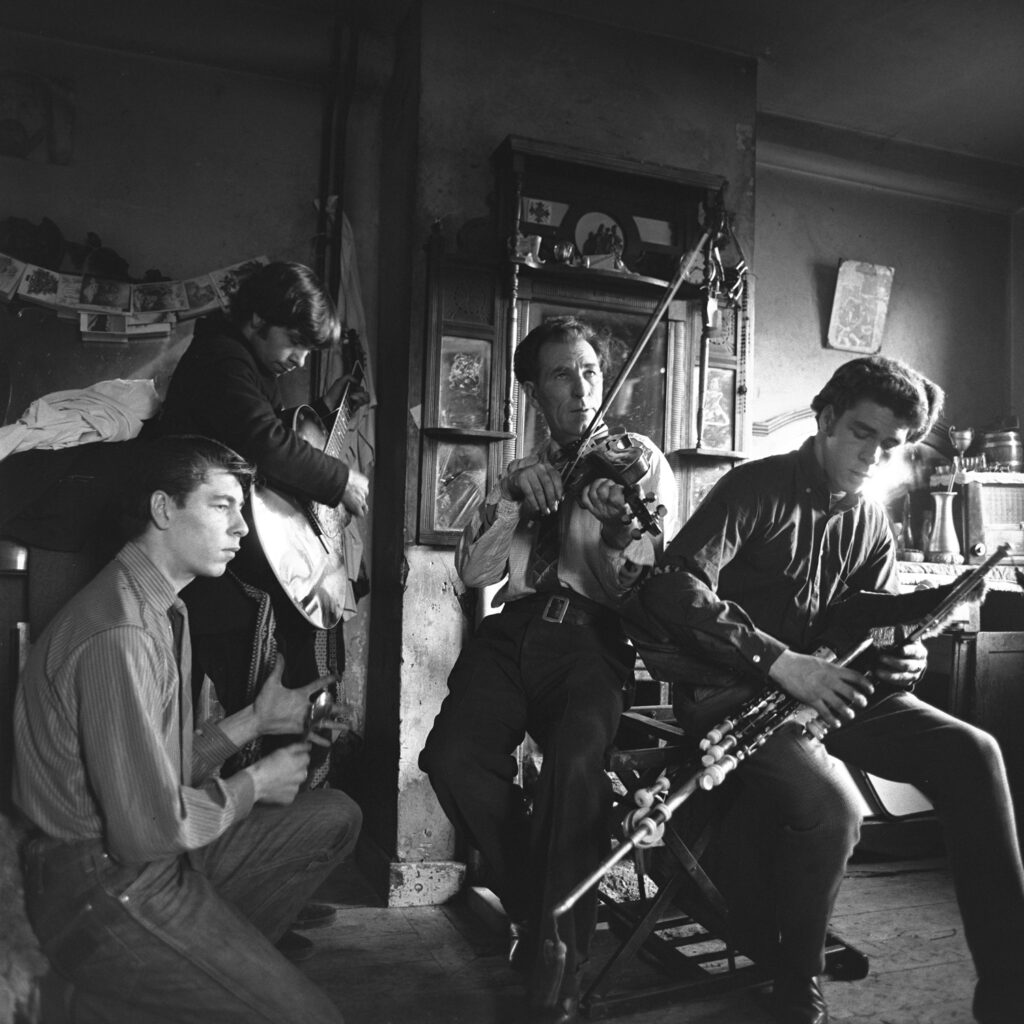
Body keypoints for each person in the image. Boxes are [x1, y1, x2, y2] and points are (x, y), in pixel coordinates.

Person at [624, 356, 1024, 1024]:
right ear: (827, 419)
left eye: (893, 447)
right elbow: (673, 586)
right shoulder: (753, 488)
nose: (877, 457)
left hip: (830, 691)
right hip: (734, 695)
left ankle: (1010, 990)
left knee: (973, 752)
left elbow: (861, 620)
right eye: (864, 435)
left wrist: (906, 654)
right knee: (838, 806)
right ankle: (797, 975)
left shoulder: (871, 519)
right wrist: (780, 660)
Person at [13, 434, 361, 1024]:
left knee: (336, 815)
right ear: (162, 509)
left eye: (240, 509)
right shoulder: (119, 631)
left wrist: (251, 722)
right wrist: (254, 781)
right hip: (102, 885)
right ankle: (117, 983)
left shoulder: (164, 608)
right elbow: (148, 830)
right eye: (221, 506)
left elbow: (159, 778)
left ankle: (198, 969)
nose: (243, 529)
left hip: (143, 859)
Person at [419, 315, 681, 1022]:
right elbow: (474, 572)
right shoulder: (526, 469)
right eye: (563, 374)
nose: (583, 386)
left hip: (595, 640)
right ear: (535, 391)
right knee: (451, 756)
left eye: (592, 371)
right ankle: (538, 903)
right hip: (515, 632)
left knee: (572, 767)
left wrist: (623, 523)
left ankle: (559, 959)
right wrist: (509, 496)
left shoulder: (636, 460)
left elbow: (653, 577)